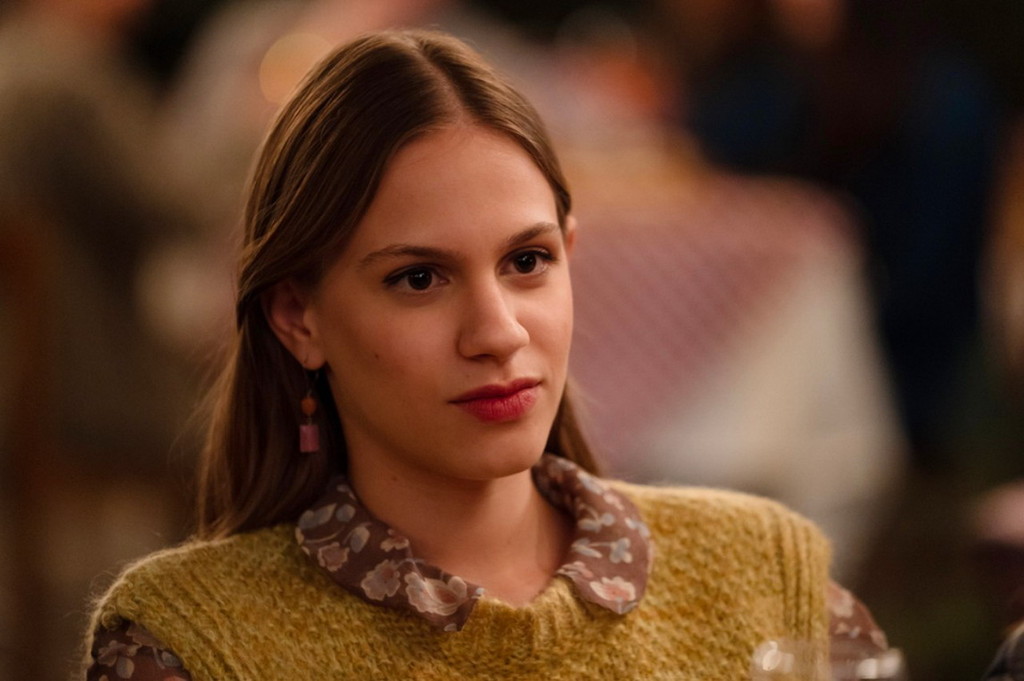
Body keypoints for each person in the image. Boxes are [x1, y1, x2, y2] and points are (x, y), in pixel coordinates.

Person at [84, 29, 886, 679]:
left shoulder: (768, 575)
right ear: (299, 316)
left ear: (571, 255)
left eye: (527, 262)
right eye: (419, 278)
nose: (498, 331)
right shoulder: (192, 641)